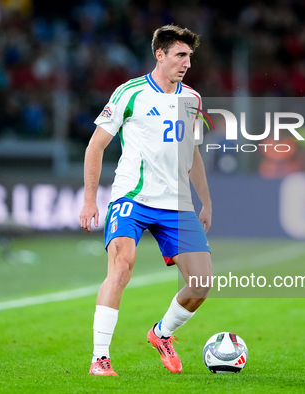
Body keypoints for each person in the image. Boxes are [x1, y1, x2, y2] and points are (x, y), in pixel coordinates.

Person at [79, 25, 213, 376]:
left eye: (189, 57)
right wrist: (90, 200)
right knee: (121, 265)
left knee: (201, 285)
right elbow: (95, 146)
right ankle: (100, 357)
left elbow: (193, 154)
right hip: (133, 198)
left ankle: (162, 333)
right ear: (160, 54)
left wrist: (206, 201)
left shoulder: (193, 100)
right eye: (180, 55)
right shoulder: (130, 93)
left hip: (177, 203)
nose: (186, 62)